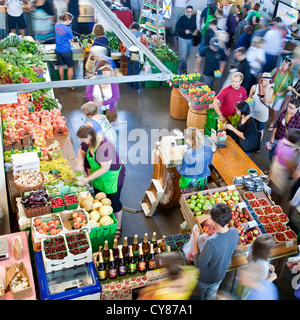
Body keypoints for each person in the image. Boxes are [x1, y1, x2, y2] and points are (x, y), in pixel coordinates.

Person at [76, 125, 125, 239]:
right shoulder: (88, 142)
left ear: (90, 136)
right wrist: (80, 162)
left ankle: (118, 226)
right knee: (100, 198)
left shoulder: (105, 147)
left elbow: (105, 168)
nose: (82, 141)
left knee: (114, 201)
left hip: (111, 177)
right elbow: (81, 150)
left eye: (83, 138)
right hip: (98, 176)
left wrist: (87, 179)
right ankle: (105, 220)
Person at [192, 203, 239, 300]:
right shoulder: (235, 232)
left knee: (198, 296)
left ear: (213, 221)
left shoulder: (211, 242)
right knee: (211, 296)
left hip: (205, 279)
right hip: (219, 276)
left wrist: (195, 238)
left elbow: (199, 263)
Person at [176, 127, 213, 193]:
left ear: (189, 139)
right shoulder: (208, 148)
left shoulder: (187, 153)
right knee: (198, 197)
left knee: (188, 199)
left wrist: (178, 164)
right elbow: (209, 163)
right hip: (202, 180)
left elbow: (183, 171)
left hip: (191, 182)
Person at [269, 128, 300, 203]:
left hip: (275, 165)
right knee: (281, 191)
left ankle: (270, 199)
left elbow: (289, 146)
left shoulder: (282, 141)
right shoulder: (288, 152)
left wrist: (297, 148)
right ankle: (276, 204)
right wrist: (297, 166)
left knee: (272, 187)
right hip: (282, 172)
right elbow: (289, 165)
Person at [268, 58, 294, 131]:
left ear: (289, 67)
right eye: (283, 64)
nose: (284, 66)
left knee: (275, 109)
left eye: (286, 65)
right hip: (271, 93)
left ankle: (272, 123)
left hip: (281, 96)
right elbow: (269, 78)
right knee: (269, 107)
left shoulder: (290, 75)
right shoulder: (276, 70)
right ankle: (269, 116)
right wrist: (270, 88)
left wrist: (282, 93)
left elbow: (290, 87)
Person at [248, 72, 274, 140]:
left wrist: (266, 89)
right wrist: (249, 102)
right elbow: (250, 97)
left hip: (262, 114)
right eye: (265, 80)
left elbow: (266, 100)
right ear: (261, 80)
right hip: (252, 112)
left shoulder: (270, 90)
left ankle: (258, 145)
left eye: (269, 81)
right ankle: (248, 143)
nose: (267, 82)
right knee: (250, 128)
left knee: (260, 130)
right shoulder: (254, 87)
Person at [175, 5, 198, 74]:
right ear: (185, 11)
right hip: (183, 38)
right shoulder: (181, 18)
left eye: (190, 12)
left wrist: (195, 31)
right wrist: (184, 31)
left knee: (187, 53)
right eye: (187, 12)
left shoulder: (194, 18)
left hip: (190, 38)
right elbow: (177, 28)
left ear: (192, 12)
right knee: (184, 54)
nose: (189, 13)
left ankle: (181, 62)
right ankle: (184, 69)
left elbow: (195, 26)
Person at [54, 12, 74, 81]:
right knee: (70, 67)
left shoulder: (56, 25)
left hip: (58, 50)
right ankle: (69, 84)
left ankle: (61, 82)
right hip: (66, 51)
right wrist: (69, 40)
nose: (70, 22)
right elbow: (72, 39)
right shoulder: (68, 29)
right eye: (70, 20)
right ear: (68, 20)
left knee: (61, 66)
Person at [126, 22, 142, 90]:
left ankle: (129, 84)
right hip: (135, 53)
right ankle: (136, 86)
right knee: (136, 70)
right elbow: (138, 42)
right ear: (137, 28)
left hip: (128, 53)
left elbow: (124, 44)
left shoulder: (127, 32)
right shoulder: (139, 33)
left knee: (129, 69)